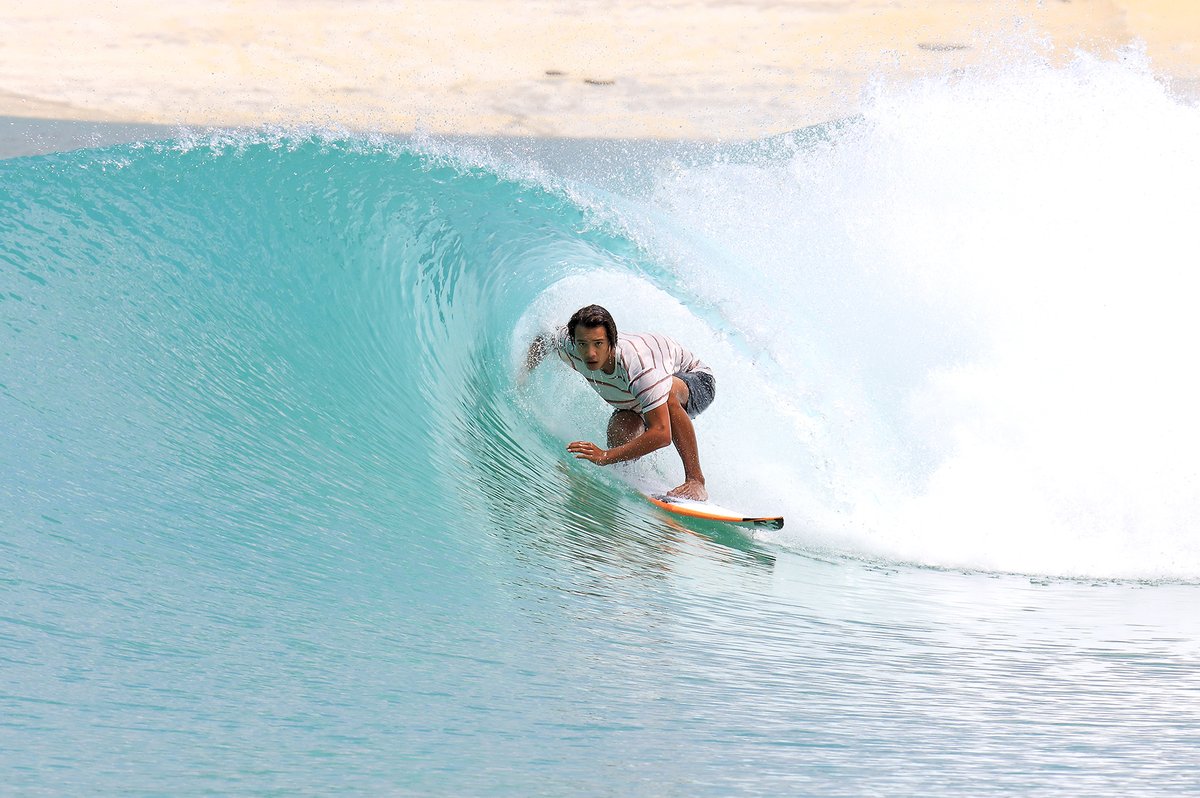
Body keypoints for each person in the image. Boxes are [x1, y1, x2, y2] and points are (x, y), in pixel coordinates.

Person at [524, 304, 716, 501]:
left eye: (598, 344)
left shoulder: (638, 365)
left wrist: (604, 456)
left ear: (612, 342)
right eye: (583, 344)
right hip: (636, 399)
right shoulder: (569, 343)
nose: (590, 353)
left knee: (666, 394)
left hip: (694, 381)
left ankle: (695, 480)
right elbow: (545, 337)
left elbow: (661, 433)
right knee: (620, 433)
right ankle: (640, 476)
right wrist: (522, 378)